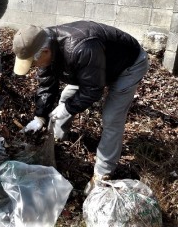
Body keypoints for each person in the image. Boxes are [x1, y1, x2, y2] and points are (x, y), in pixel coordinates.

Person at [12, 21, 149, 195]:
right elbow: (47, 84)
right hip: (94, 67)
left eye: (34, 63)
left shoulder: (80, 48)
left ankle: (103, 174)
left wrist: (68, 108)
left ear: (45, 52)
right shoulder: (45, 45)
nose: (34, 67)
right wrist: (40, 116)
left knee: (111, 118)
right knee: (66, 97)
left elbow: (93, 90)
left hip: (128, 65)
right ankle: (57, 142)